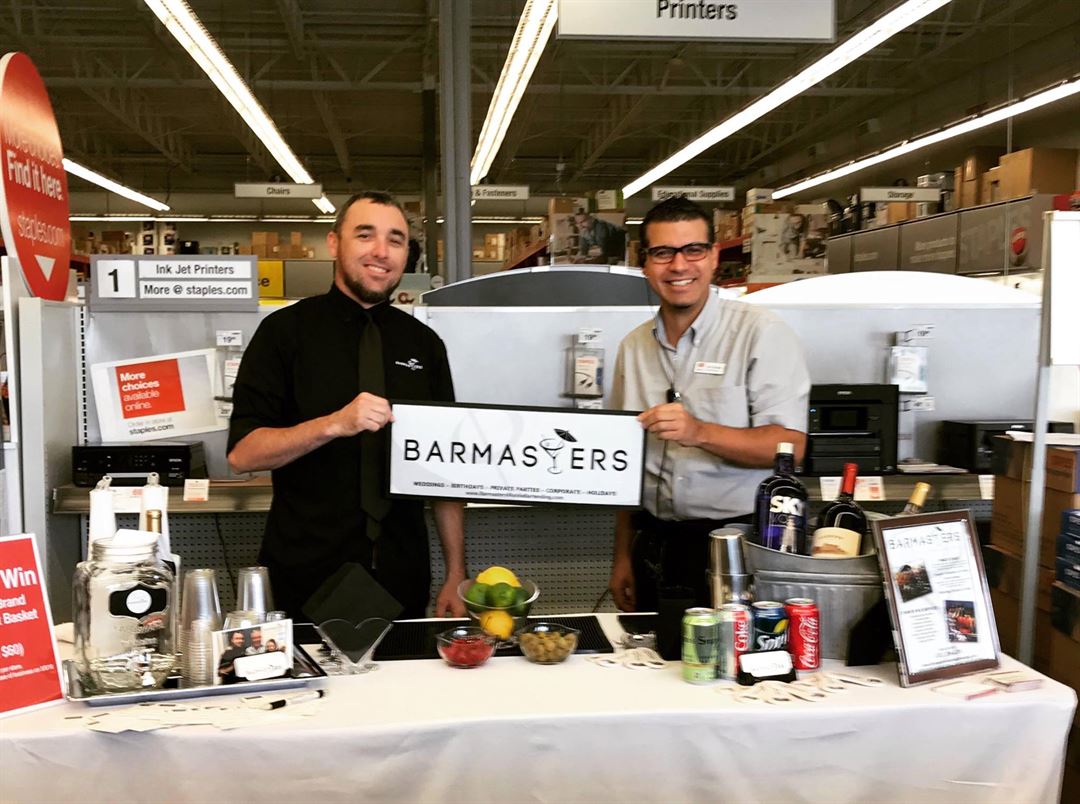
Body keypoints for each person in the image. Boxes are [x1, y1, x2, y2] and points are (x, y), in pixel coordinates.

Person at [228, 191, 467, 620]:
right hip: (304, 573)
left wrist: (455, 573)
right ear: (334, 243)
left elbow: (445, 473)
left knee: (404, 666)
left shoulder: (424, 345)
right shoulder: (283, 333)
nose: (381, 251)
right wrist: (333, 424)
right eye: (365, 235)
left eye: (395, 240)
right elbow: (243, 455)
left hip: (402, 573)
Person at [607, 196, 810, 612]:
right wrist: (622, 556)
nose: (679, 265)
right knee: (653, 649)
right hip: (653, 543)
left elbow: (791, 446)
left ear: (714, 256)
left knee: (730, 654)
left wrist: (698, 432)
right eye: (663, 253)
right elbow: (626, 463)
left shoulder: (761, 333)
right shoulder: (633, 347)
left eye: (693, 250)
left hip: (737, 547)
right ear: (645, 263)